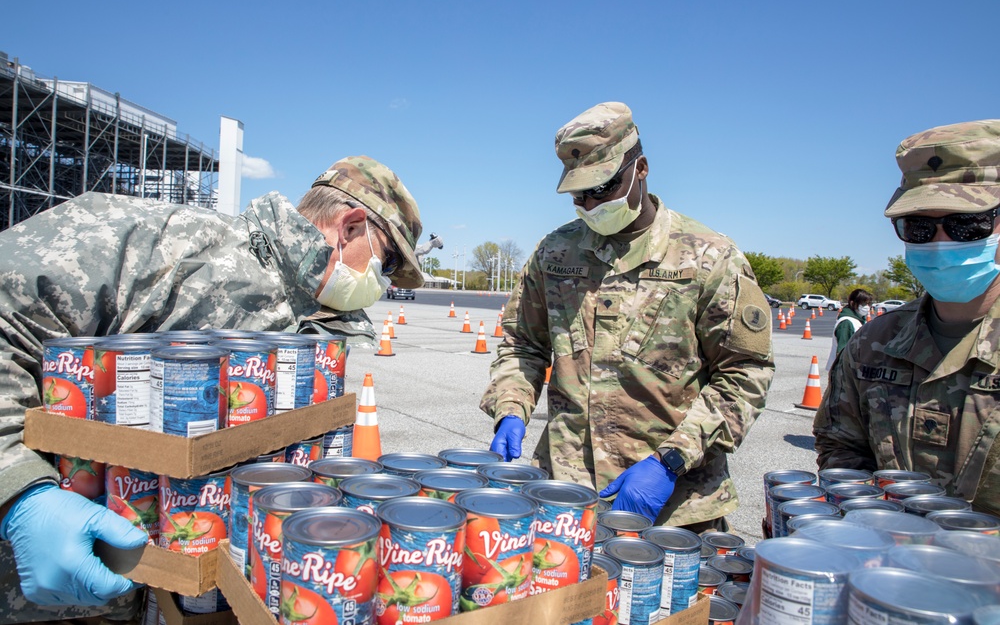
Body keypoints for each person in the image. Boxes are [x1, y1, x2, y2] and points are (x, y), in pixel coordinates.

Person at [0, 155, 422, 622]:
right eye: (386, 263)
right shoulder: (158, 241)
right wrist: (19, 493)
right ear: (349, 227)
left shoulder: (321, 322)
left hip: (170, 593)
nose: (381, 284)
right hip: (42, 590)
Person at [480, 102, 775, 531]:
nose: (590, 203)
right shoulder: (555, 253)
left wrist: (671, 460)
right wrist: (511, 407)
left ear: (641, 169)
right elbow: (522, 344)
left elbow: (744, 373)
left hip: (674, 506)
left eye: (603, 187)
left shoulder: (710, 257)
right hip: (565, 496)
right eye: (579, 194)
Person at [814, 120, 1000, 516]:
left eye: (966, 224)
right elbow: (842, 448)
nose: (939, 242)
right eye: (917, 227)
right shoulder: (871, 345)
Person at [824, 288, 872, 371]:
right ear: (852, 303)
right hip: (843, 372)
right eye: (863, 304)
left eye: (868, 304)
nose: (867, 307)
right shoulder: (847, 323)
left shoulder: (857, 321)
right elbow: (842, 351)